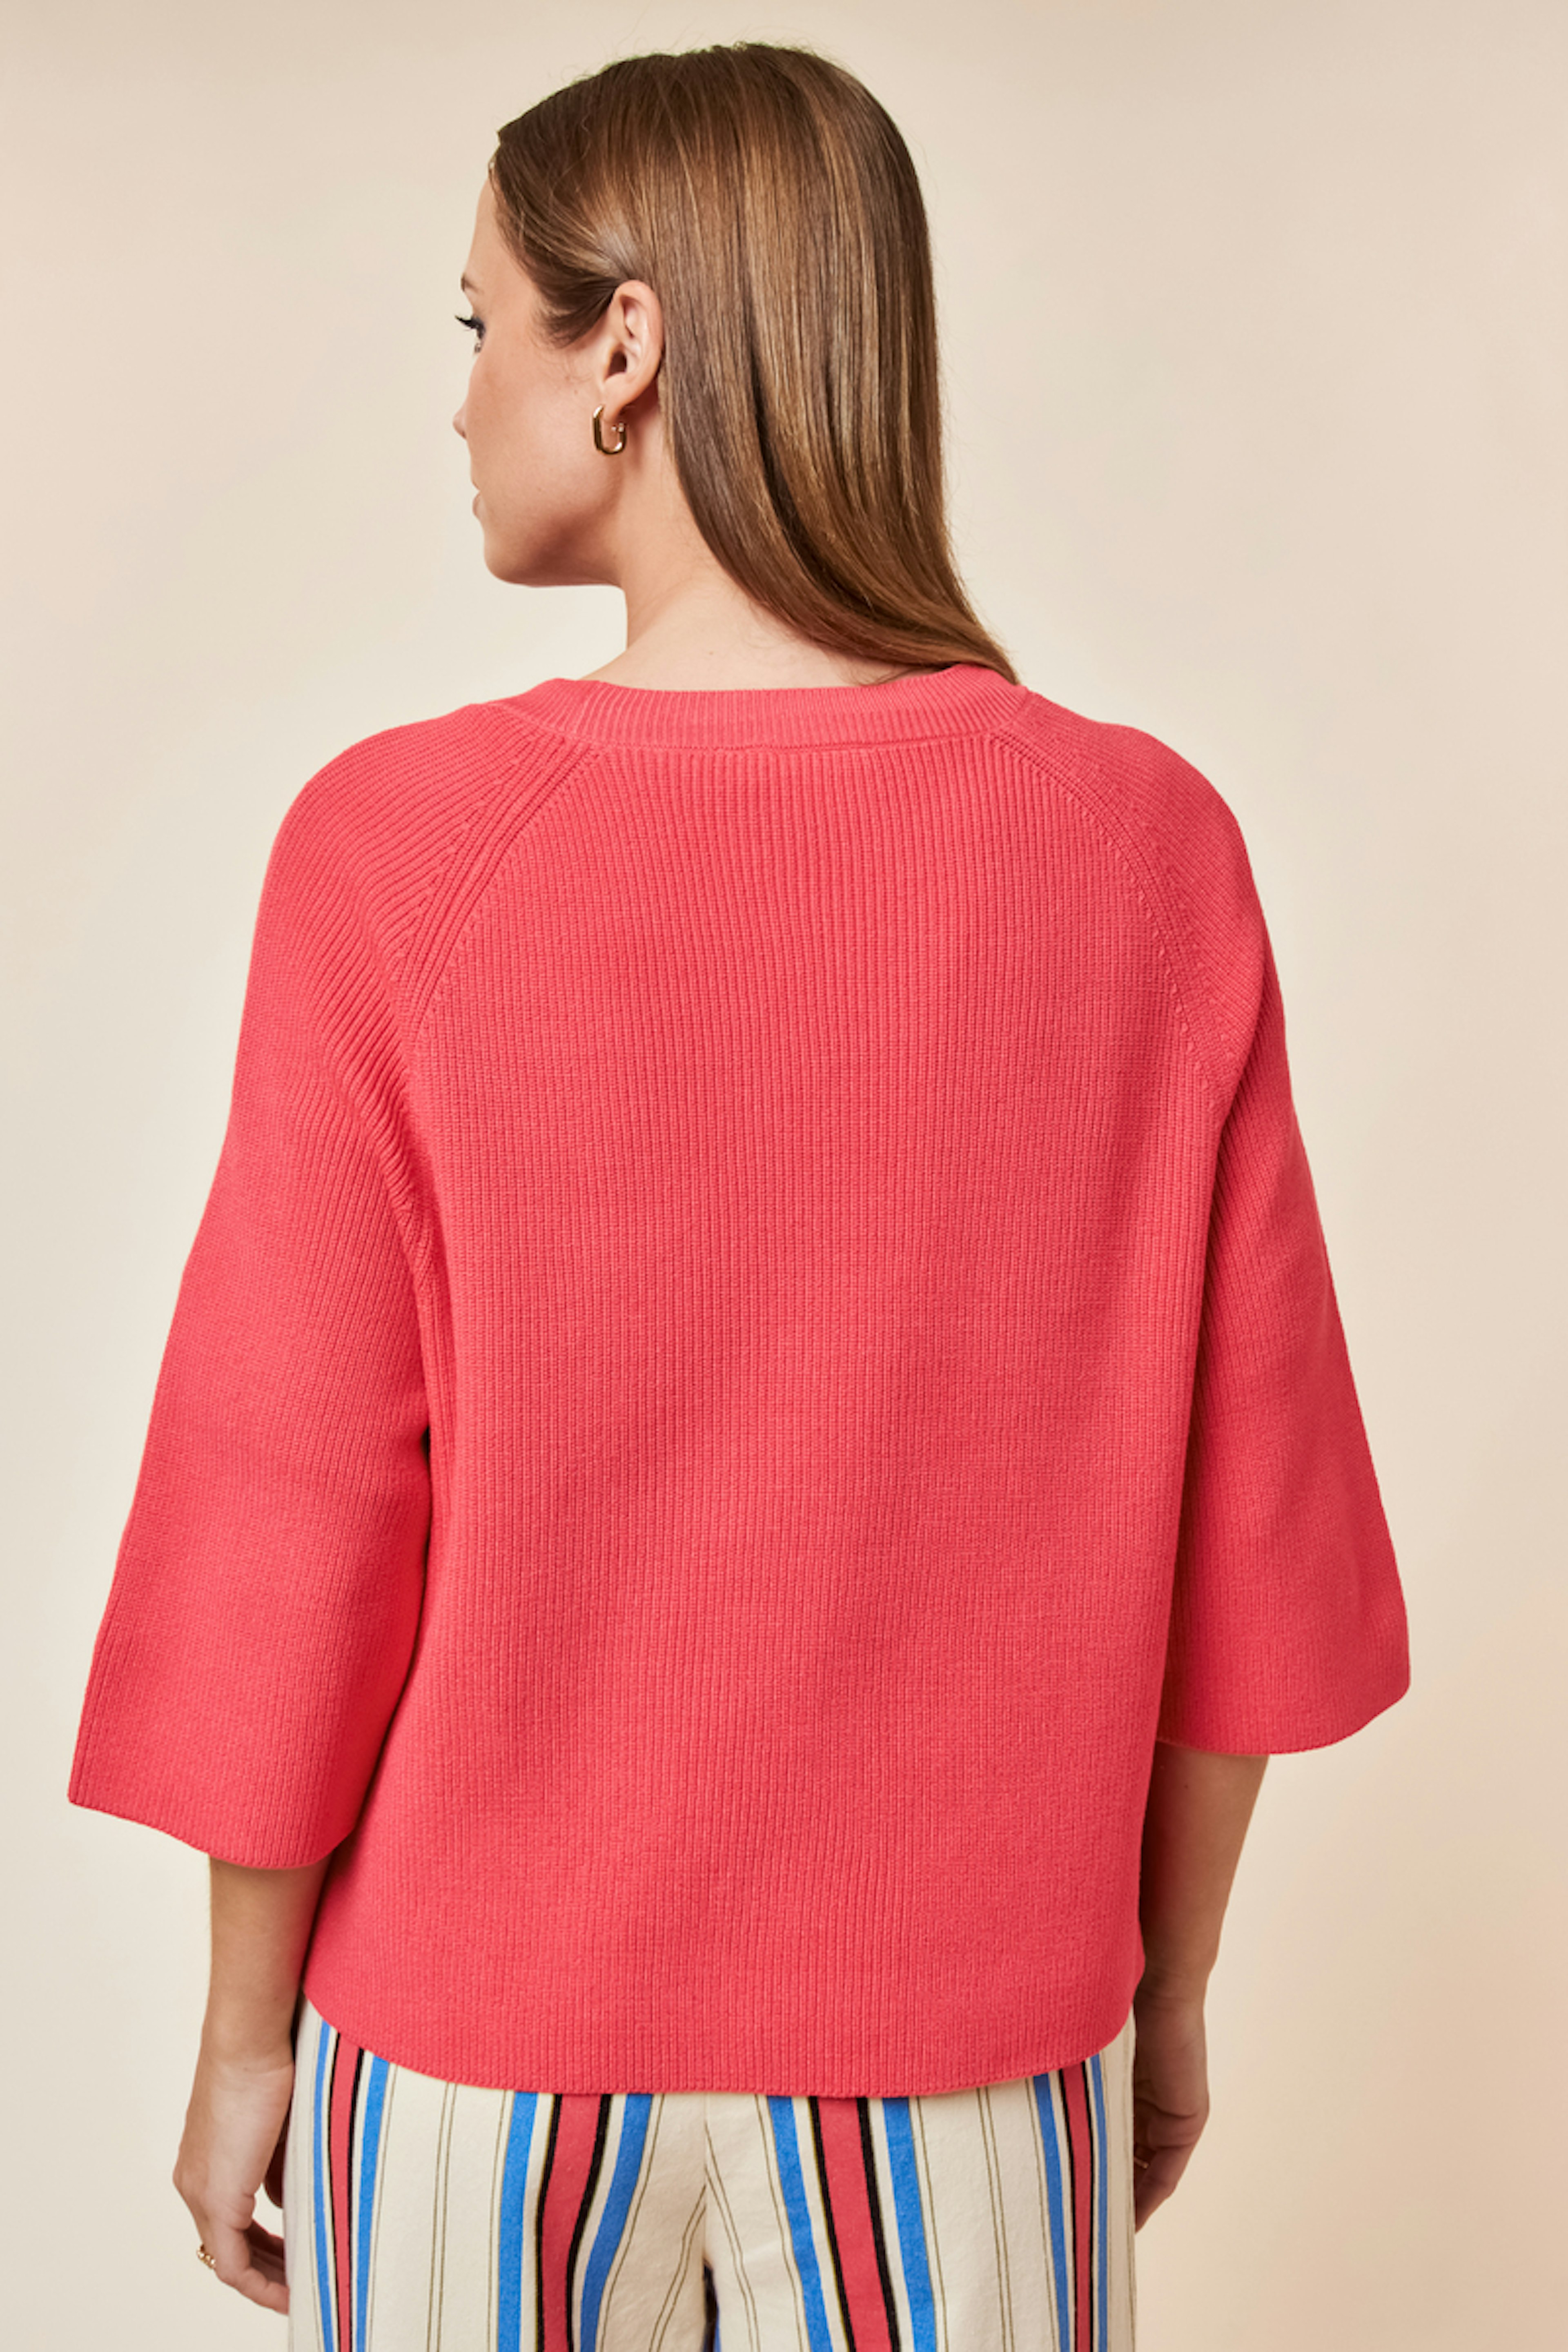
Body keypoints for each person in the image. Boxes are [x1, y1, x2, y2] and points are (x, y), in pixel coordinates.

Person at [67, 40, 1408, 2352]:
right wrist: (1165, 1990)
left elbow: (292, 1498)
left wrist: (241, 2032)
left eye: (480, 322)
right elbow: (1250, 1525)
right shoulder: (1144, 854)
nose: (460, 397)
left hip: (474, 2076)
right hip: (970, 2069)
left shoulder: (398, 854)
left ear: (628, 348)